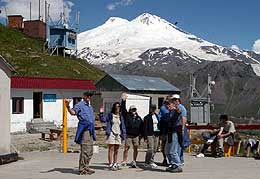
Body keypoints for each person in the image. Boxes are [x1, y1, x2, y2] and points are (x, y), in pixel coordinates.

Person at [65, 91, 99, 175]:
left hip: (90, 129)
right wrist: (68, 106)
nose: (89, 97)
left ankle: (86, 166)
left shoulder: (90, 107)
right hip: (85, 130)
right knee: (85, 150)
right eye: (87, 95)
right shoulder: (80, 105)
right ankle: (81, 168)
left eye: (90, 96)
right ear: (84, 96)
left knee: (90, 150)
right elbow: (73, 112)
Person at [100, 102, 126, 170]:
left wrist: (124, 135)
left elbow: (122, 126)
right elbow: (103, 120)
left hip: (118, 134)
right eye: (116, 106)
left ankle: (115, 163)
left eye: (119, 106)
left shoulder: (121, 116)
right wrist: (101, 113)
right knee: (111, 149)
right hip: (111, 133)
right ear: (114, 107)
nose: (118, 108)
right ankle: (110, 164)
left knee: (116, 150)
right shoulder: (110, 115)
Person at [121, 93, 143, 168]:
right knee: (126, 148)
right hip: (129, 135)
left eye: (134, 109)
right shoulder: (127, 116)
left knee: (136, 148)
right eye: (132, 109)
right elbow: (123, 110)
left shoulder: (139, 118)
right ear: (130, 110)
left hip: (136, 135)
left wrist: (142, 135)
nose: (133, 111)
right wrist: (123, 101)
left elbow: (142, 126)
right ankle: (124, 161)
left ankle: (134, 161)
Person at [165, 98, 183, 173]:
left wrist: (176, 109)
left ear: (173, 104)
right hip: (169, 132)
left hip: (174, 132)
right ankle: (172, 164)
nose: (167, 106)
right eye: (166, 105)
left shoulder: (176, 111)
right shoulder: (169, 112)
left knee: (173, 151)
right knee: (167, 151)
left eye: (169, 104)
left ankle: (177, 165)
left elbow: (175, 118)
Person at [143, 104, 160, 168]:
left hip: (156, 134)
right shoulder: (147, 117)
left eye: (154, 108)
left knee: (155, 149)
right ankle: (147, 162)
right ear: (150, 109)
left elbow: (158, 125)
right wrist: (145, 137)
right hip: (150, 134)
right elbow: (145, 128)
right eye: (152, 108)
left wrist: (159, 134)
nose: (153, 109)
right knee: (150, 149)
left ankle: (151, 161)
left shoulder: (156, 116)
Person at [158, 98, 171, 166]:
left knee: (169, 146)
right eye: (166, 103)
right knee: (164, 146)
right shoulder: (162, 108)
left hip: (170, 131)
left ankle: (170, 160)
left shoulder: (171, 109)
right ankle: (165, 159)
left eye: (168, 103)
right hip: (164, 130)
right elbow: (159, 118)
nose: (167, 104)